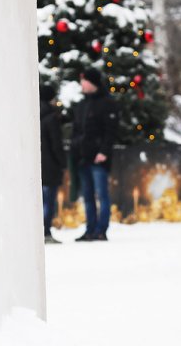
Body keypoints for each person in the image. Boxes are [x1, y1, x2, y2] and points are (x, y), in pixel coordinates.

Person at [71, 68, 119, 242]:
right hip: (83, 157)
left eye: (85, 81)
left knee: (101, 195)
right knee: (88, 196)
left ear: (93, 83)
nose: (82, 84)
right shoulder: (82, 104)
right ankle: (90, 229)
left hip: (98, 159)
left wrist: (104, 152)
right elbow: (77, 130)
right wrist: (75, 149)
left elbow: (111, 131)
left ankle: (101, 229)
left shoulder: (107, 103)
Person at [39, 84, 66, 244]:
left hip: (40, 165)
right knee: (48, 202)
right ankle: (46, 231)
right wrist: (62, 163)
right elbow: (56, 144)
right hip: (51, 166)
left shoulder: (35, 115)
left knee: (41, 201)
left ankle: (42, 231)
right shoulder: (51, 118)